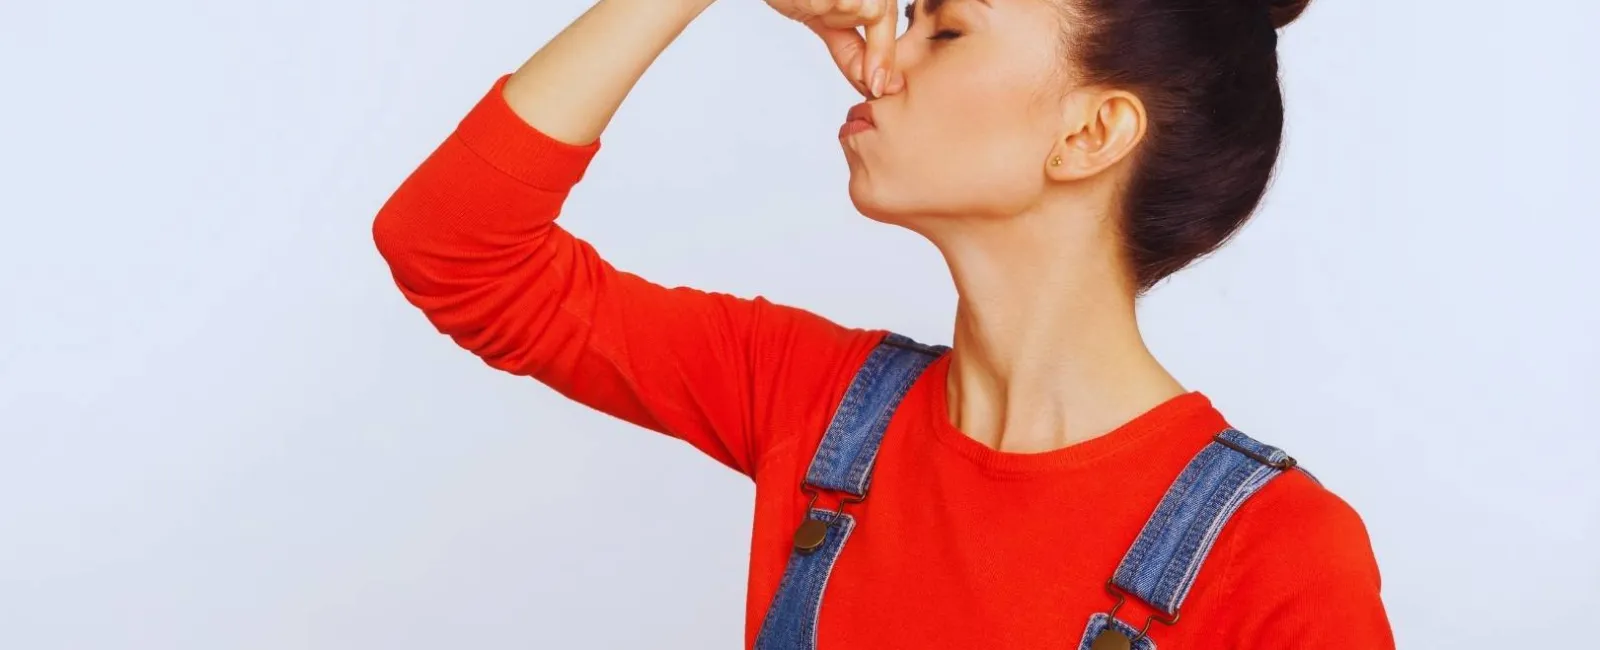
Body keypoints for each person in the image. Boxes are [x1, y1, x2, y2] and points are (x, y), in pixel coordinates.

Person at [372, 0, 1395, 647]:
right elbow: (456, 249)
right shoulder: (812, 403)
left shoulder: (1277, 554)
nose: (879, 61)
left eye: (944, 31)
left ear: (1090, 132)